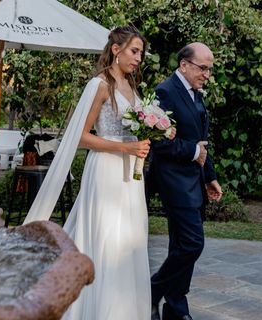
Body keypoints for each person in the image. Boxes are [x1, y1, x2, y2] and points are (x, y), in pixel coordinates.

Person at [24, 26, 171, 320]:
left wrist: (158, 131)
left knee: (129, 240)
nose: (139, 58)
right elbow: (79, 136)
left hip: (130, 176)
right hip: (106, 172)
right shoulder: (100, 84)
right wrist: (125, 149)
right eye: (134, 51)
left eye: (141, 53)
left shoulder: (132, 86)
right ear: (116, 50)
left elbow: (135, 128)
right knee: (106, 239)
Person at [149, 42, 223, 320]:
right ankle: (152, 291)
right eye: (203, 68)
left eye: (209, 69)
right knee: (193, 244)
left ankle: (176, 310)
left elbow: (200, 142)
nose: (207, 74)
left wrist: (210, 177)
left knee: (180, 247)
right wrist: (194, 153)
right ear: (184, 65)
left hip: (194, 182)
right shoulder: (165, 92)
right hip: (174, 183)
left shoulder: (196, 94)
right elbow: (159, 142)